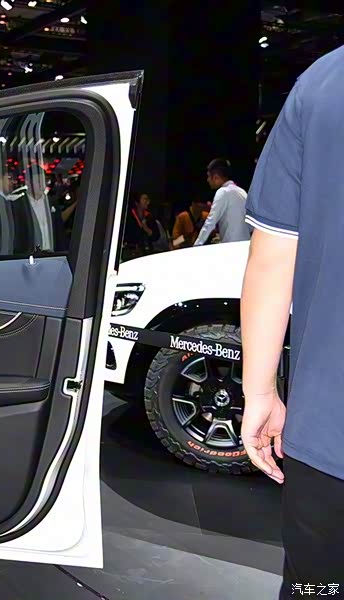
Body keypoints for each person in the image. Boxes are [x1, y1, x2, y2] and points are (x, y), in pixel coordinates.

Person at [240, 46, 344, 597]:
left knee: (317, 590)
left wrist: (259, 392)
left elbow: (273, 258)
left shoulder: (323, 82)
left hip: (328, 435)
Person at [193, 158, 250, 246]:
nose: (207, 180)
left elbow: (210, 223)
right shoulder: (242, 192)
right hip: (246, 245)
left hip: (231, 247)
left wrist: (197, 245)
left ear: (216, 177)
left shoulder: (223, 192)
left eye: (209, 176)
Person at [123, 192, 161, 259]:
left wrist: (147, 229)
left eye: (148, 200)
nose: (148, 202)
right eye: (145, 199)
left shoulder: (149, 216)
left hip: (146, 252)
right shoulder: (128, 216)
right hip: (131, 253)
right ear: (137, 202)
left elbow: (156, 236)